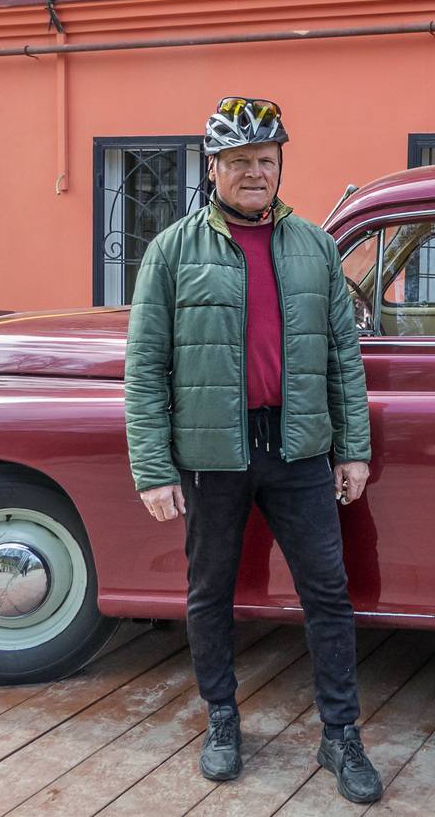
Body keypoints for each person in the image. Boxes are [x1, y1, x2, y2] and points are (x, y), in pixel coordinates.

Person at [123, 96, 382, 804]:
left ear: (279, 165)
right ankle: (222, 718)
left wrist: (352, 449)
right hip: (212, 458)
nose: (254, 173)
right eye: (239, 161)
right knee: (210, 593)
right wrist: (153, 468)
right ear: (213, 168)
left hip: (299, 452)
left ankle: (340, 733)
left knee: (327, 592)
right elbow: (145, 368)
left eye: (265, 160)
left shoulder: (315, 247)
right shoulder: (172, 251)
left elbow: (343, 356)